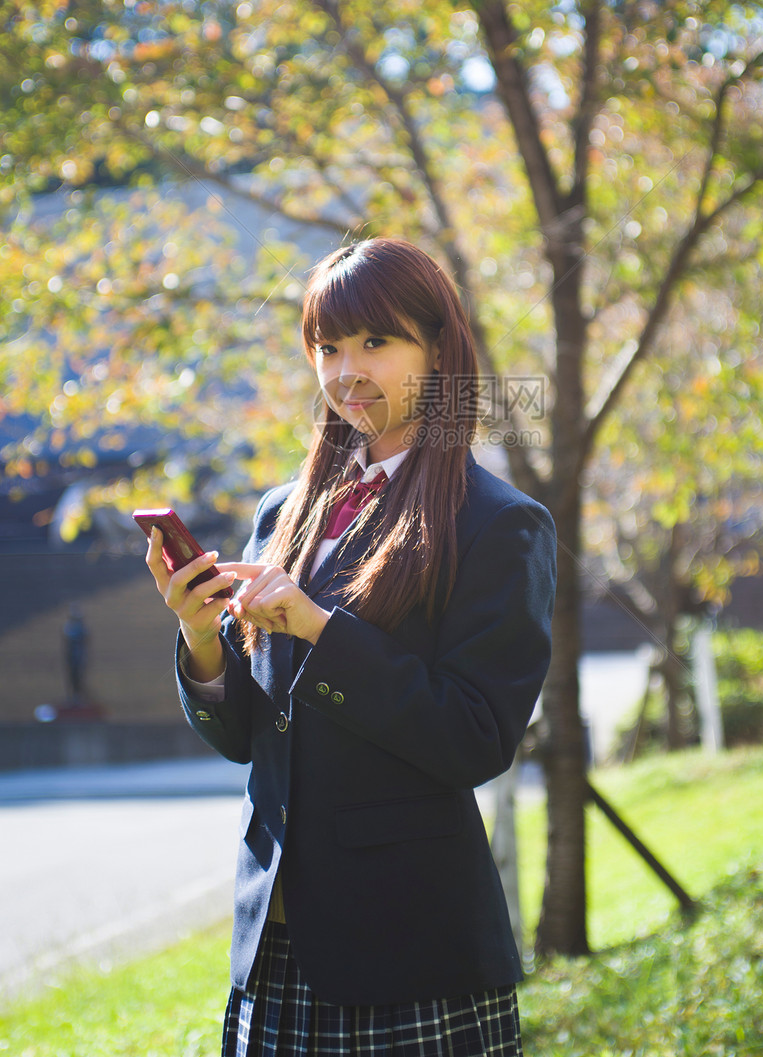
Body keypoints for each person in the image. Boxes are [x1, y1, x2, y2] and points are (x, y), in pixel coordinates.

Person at [144, 237, 556, 1057]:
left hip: (409, 947)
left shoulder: (498, 522)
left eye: (376, 341)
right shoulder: (283, 511)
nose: (345, 371)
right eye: (327, 347)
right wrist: (200, 636)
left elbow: (476, 736)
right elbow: (248, 740)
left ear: (438, 349)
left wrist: (322, 632)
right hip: (275, 947)